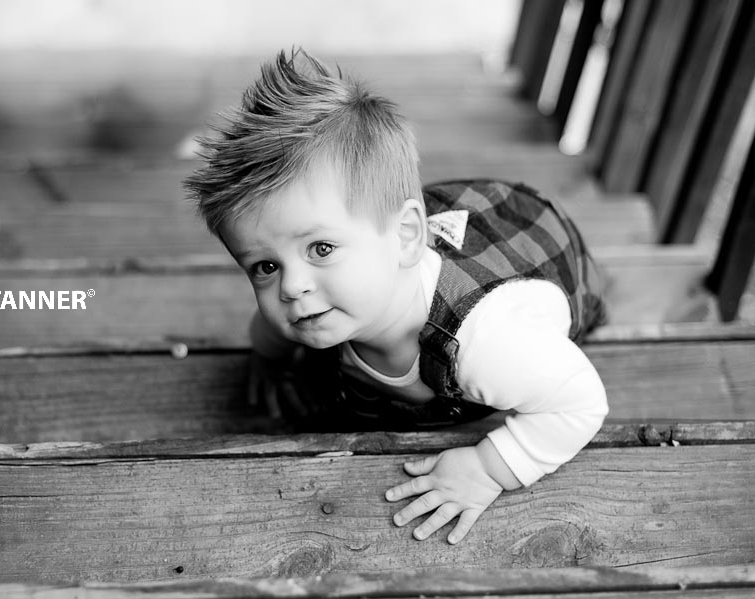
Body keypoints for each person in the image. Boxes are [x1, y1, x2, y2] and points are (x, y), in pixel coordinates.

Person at [184, 48, 608, 545]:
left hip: (535, 243)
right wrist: (269, 360)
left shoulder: (490, 344)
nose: (291, 287)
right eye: (265, 266)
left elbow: (580, 402)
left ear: (408, 237)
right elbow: (268, 328)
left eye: (321, 248)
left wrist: (489, 467)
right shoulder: (317, 299)